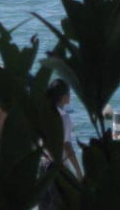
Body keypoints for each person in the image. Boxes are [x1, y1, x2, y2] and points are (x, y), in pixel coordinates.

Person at [37, 79, 83, 209]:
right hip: (57, 168)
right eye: (69, 93)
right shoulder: (63, 117)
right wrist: (78, 172)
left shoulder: (43, 114)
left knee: (44, 206)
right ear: (64, 97)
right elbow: (67, 146)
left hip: (42, 165)